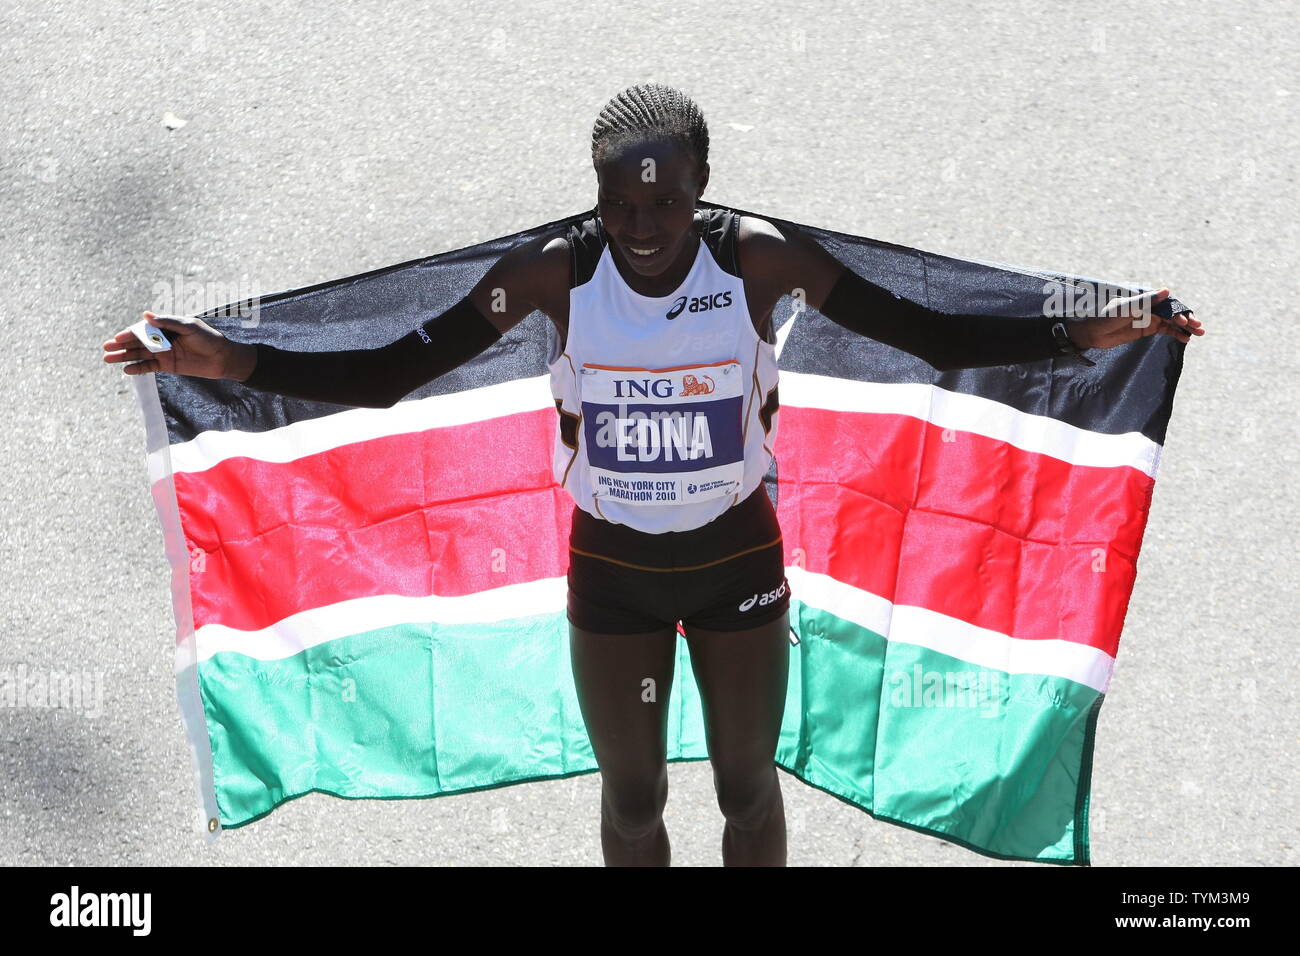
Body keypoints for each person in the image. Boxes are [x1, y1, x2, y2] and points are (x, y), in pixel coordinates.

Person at [102, 83, 1204, 867]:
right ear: (594, 194)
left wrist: (1090, 333)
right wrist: (227, 357)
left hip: (737, 569)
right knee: (633, 800)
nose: (640, 227)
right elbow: (395, 367)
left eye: (664, 202)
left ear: (702, 186)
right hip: (615, 576)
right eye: (618, 204)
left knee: (743, 787)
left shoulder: (757, 257)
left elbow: (923, 328)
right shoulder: (552, 272)